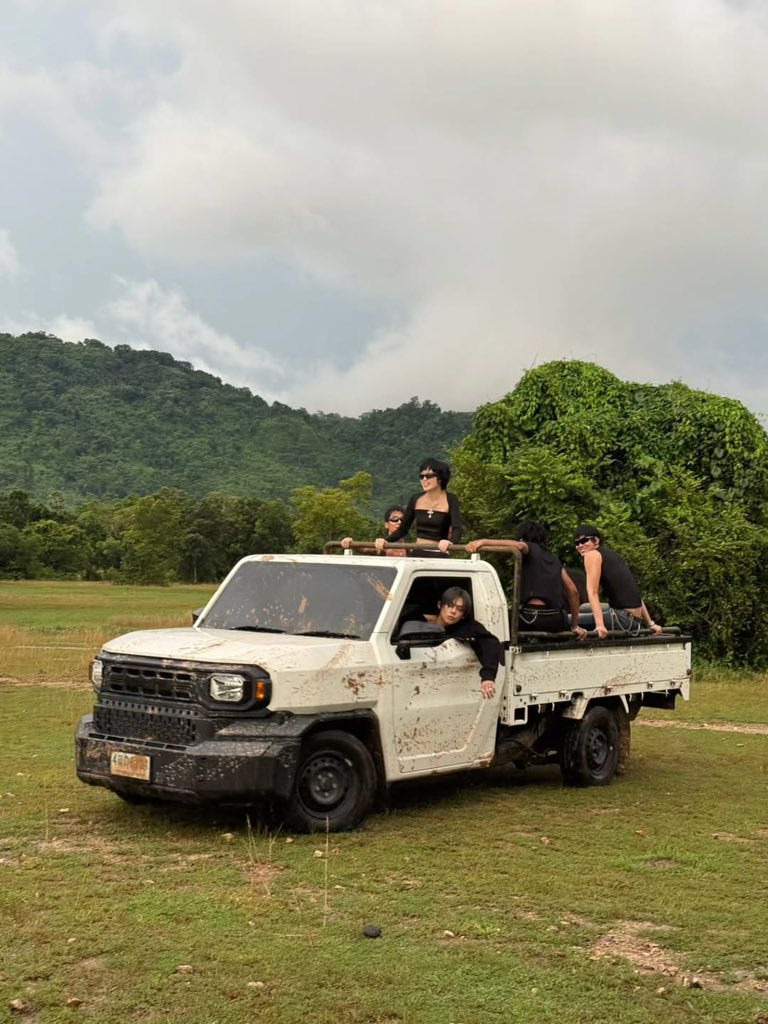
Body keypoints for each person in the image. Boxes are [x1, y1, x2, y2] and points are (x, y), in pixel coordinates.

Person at [466, 522, 587, 640]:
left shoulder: (530, 547)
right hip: (556, 620)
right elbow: (573, 591)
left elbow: (520, 546)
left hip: (532, 617)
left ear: (522, 538)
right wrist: (574, 626)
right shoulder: (554, 558)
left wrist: (483, 542)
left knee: (499, 621)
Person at [573, 524, 663, 639]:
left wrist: (600, 625)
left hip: (622, 619)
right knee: (583, 608)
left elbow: (592, 592)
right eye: (577, 543)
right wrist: (650, 623)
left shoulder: (592, 555)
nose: (580, 545)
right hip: (635, 620)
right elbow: (633, 592)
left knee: (569, 621)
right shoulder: (613, 555)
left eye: (584, 541)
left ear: (596, 540)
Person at [421, 587, 501, 698]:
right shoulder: (420, 622)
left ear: (463, 615)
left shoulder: (467, 627)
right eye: (450, 605)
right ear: (440, 605)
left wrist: (488, 676)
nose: (453, 611)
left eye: (460, 609)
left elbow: (490, 643)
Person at [376, 458, 461, 556]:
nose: (424, 479)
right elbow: (403, 529)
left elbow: (457, 528)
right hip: (418, 551)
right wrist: (386, 540)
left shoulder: (451, 499)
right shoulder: (416, 499)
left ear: (440, 478)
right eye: (421, 476)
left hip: (439, 552)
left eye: (429, 476)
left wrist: (451, 541)